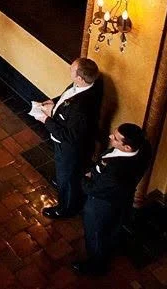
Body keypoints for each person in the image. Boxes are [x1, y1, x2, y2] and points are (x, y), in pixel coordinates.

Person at [31, 57, 104, 219]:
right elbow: (67, 96)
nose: (69, 70)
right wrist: (54, 102)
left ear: (79, 78)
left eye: (72, 70)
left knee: (68, 178)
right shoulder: (88, 84)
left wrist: (45, 119)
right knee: (67, 175)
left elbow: (68, 136)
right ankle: (65, 182)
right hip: (74, 144)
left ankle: (66, 209)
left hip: (70, 149)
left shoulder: (82, 108)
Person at [75, 123, 150, 276]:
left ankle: (96, 266)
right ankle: (111, 246)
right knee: (113, 227)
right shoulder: (144, 147)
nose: (110, 137)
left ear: (127, 148)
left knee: (95, 233)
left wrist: (84, 178)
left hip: (101, 204)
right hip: (122, 197)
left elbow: (93, 189)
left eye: (115, 138)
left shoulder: (116, 171)